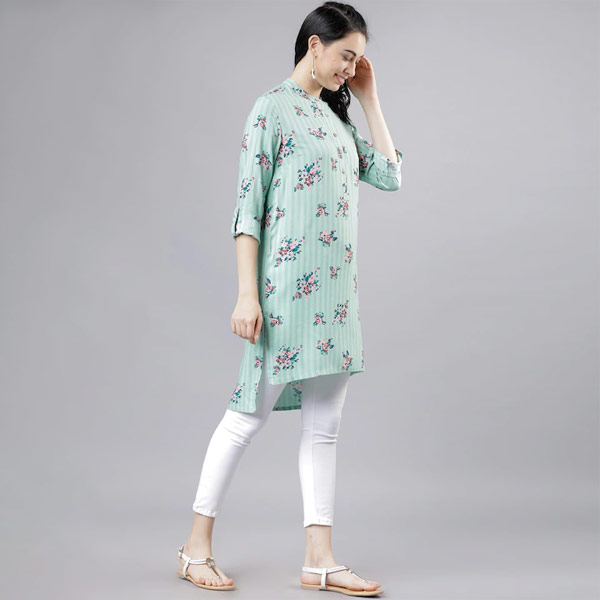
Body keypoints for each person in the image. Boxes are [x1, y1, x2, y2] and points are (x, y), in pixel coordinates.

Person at [176, 1, 402, 595]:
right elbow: (246, 211)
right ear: (314, 45)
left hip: (337, 300)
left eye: (357, 60)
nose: (350, 68)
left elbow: (390, 175)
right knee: (244, 419)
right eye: (346, 56)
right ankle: (195, 548)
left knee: (324, 429)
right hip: (284, 296)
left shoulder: (337, 119)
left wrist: (371, 99)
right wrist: (245, 295)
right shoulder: (270, 109)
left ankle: (319, 561)